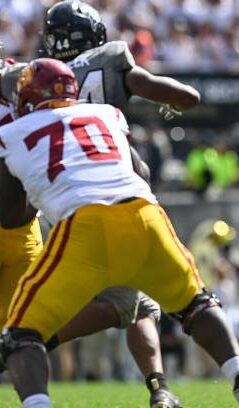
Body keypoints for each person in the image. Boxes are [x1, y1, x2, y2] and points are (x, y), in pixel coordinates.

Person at [0, 58, 239, 408]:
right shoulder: (105, 114)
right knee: (196, 304)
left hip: (84, 226)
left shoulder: (12, 133)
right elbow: (141, 169)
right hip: (146, 216)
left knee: (20, 335)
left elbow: (10, 217)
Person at [0, 2, 197, 406]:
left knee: (137, 305)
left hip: (47, 203)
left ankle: (158, 388)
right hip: (90, 194)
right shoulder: (96, 74)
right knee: (123, 305)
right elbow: (186, 98)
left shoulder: (24, 79)